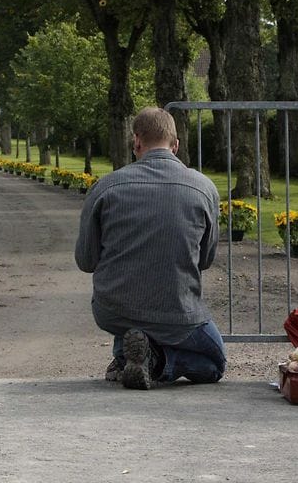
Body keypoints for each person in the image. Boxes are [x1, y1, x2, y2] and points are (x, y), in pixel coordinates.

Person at [74, 107, 225, 390]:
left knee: (133, 322)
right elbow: (205, 259)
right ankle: (157, 362)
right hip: (178, 312)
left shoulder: (105, 187)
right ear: (176, 145)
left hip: (113, 309)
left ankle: (129, 354)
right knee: (215, 364)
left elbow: (86, 260)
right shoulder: (204, 189)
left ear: (136, 142)